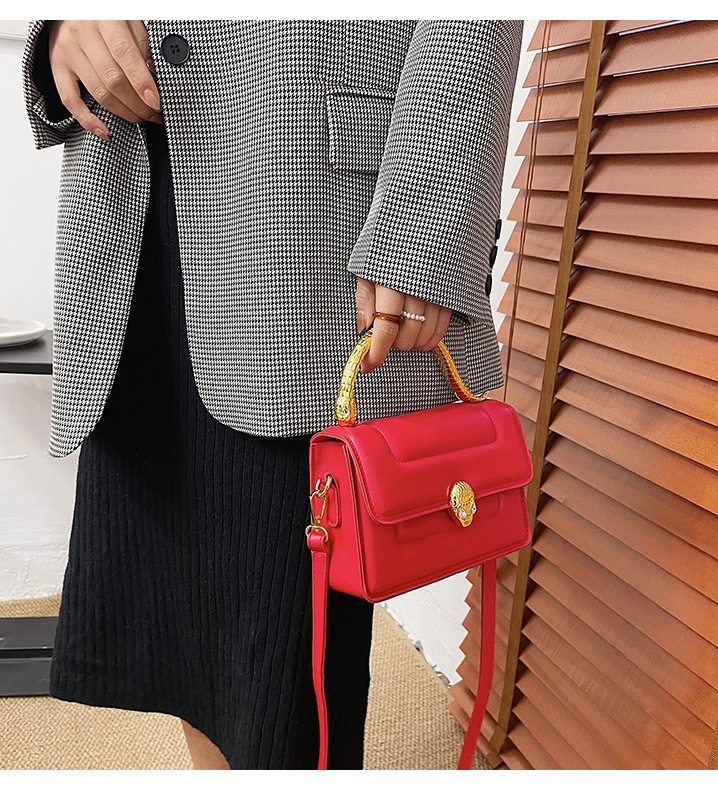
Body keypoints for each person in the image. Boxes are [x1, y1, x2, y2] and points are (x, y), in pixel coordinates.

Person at [20, 19, 523, 769]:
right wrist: (62, 28)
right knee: (185, 646)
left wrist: (429, 220)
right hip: (132, 193)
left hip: (294, 202)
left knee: (282, 678)